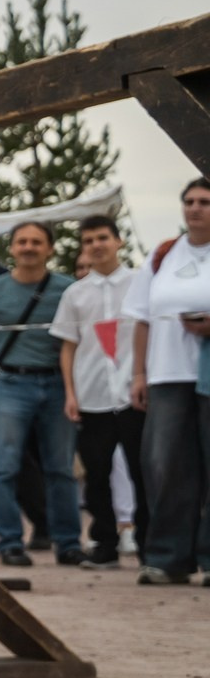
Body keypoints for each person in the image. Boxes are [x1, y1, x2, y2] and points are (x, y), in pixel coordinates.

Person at [0, 220, 79, 568]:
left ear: (49, 248)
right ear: (12, 248)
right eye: (22, 242)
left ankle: (68, 542)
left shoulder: (70, 289)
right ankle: (9, 541)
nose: (29, 247)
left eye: (36, 241)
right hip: (11, 384)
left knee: (60, 468)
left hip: (58, 384)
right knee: (3, 467)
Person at [127, 178, 210, 585]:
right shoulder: (163, 255)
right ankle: (167, 558)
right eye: (189, 201)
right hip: (167, 373)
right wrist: (139, 373)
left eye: (205, 202)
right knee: (165, 466)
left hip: (207, 373)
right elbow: (141, 317)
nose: (195, 208)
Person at [53, 215, 145, 569]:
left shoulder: (139, 284)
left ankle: (150, 545)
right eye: (88, 240)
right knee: (97, 474)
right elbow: (68, 347)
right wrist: (70, 393)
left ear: (118, 241)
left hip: (134, 393)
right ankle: (105, 543)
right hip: (92, 395)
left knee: (142, 472)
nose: (96, 245)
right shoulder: (75, 293)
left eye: (103, 238)